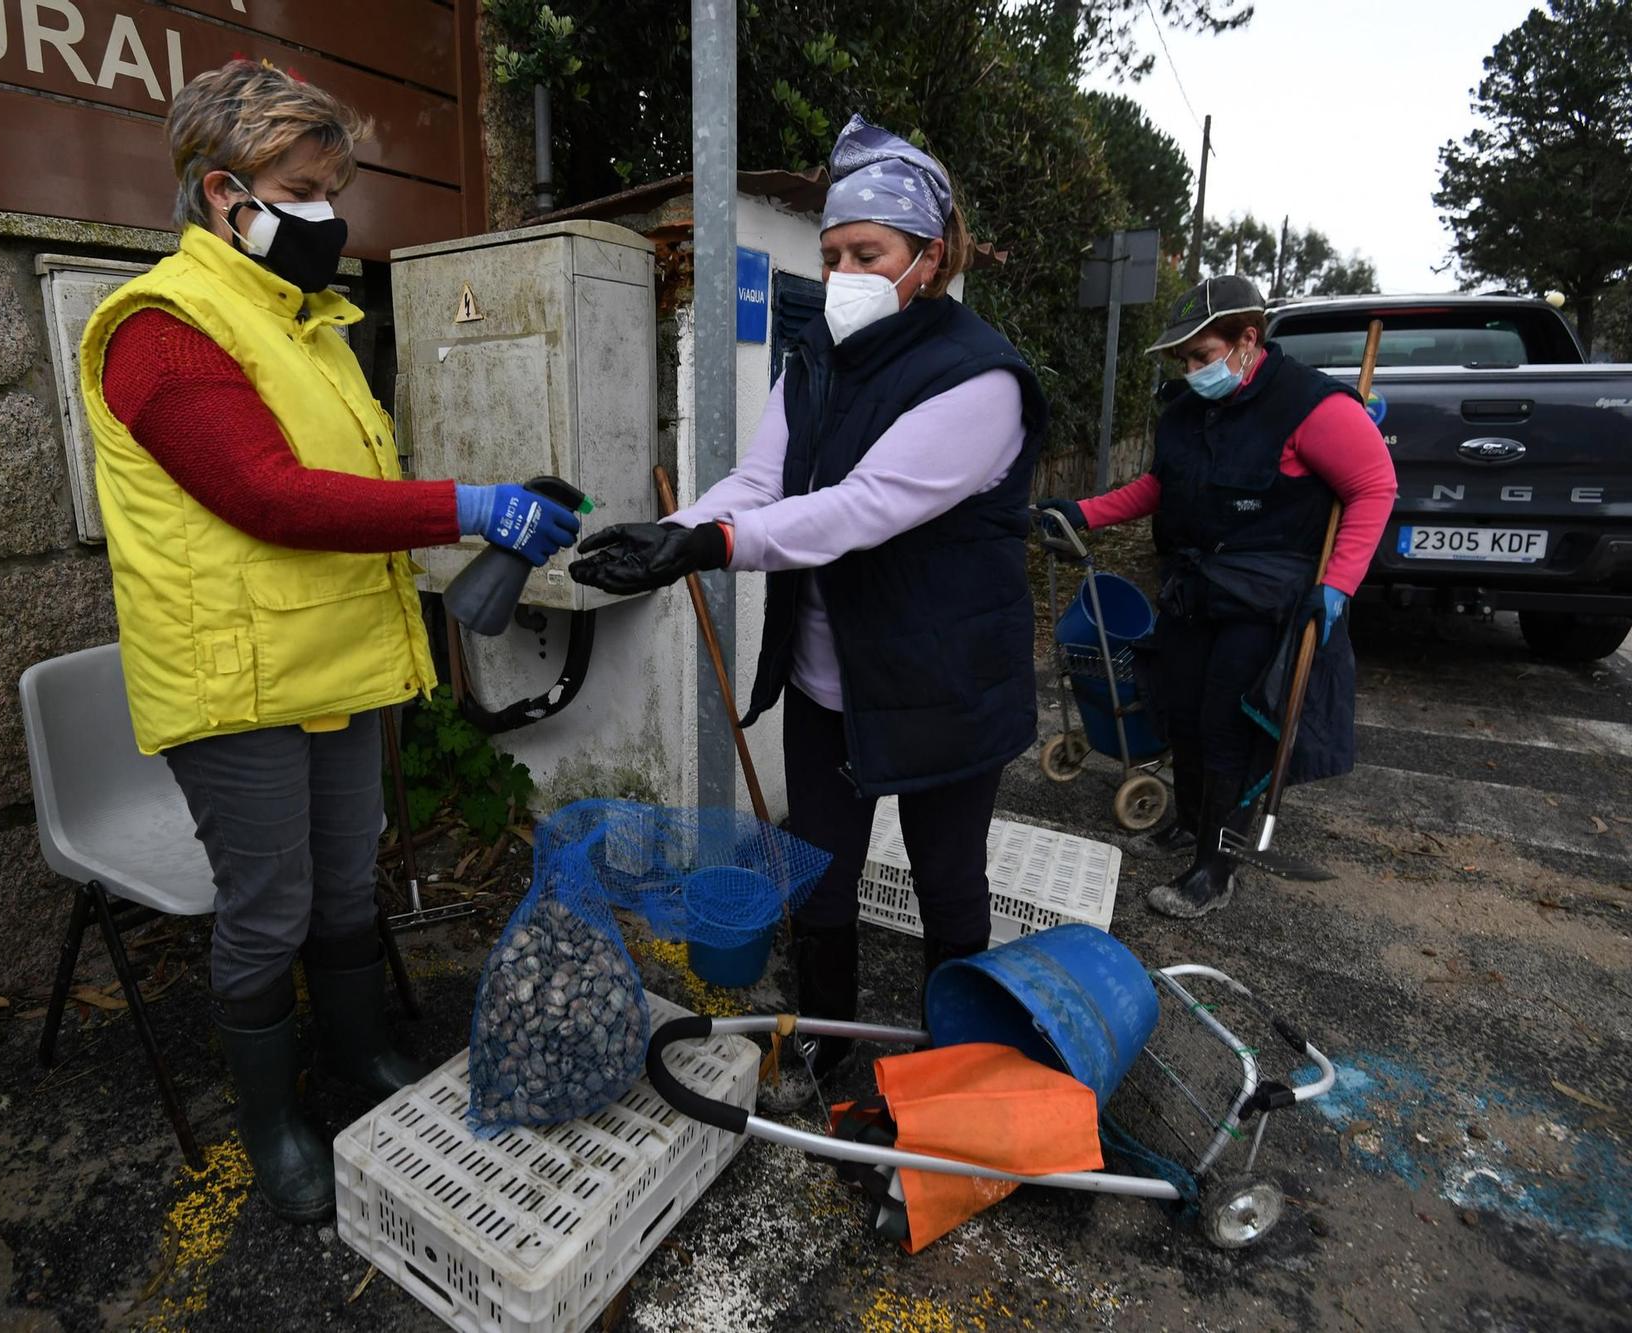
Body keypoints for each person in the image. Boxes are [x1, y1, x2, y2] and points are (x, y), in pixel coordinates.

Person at [78, 60, 580, 1222]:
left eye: (331, 187)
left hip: (342, 662)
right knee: (268, 908)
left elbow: (343, 497)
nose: (328, 214)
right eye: (304, 187)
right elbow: (271, 498)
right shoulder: (160, 329)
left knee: (346, 882)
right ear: (224, 196)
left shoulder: (310, 326)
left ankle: (356, 1059)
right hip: (237, 681)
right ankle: (273, 1124)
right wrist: (470, 506)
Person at [571, 115, 1048, 1112]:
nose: (841, 273)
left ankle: (955, 1065)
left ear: (931, 255)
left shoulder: (980, 380)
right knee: (820, 878)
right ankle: (830, 1057)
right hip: (830, 680)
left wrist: (711, 547)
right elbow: (757, 478)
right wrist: (670, 531)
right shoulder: (817, 361)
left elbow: (861, 511)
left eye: (865, 253)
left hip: (945, 688)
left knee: (946, 882)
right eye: (830, 255)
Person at [1039, 274, 1396, 919]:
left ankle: (1215, 865)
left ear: (1247, 342)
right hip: (1195, 585)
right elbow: (1161, 487)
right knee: (1179, 711)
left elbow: (1373, 489)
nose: (1192, 369)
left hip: (1266, 594)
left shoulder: (1314, 408)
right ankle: (1190, 822)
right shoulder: (1186, 411)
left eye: (1203, 355)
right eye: (1186, 359)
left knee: (1224, 725)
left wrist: (1335, 587)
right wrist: (1085, 513)